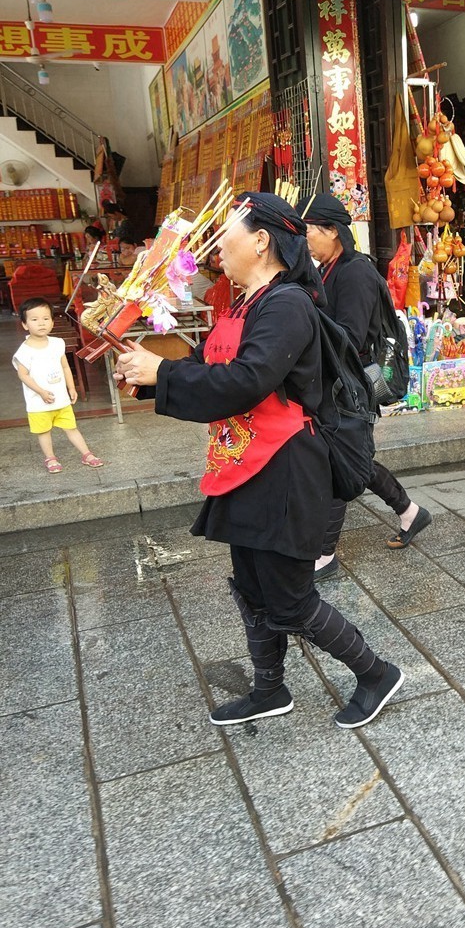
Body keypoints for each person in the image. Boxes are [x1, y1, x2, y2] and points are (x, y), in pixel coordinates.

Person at [114, 192, 404, 730]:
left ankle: (376, 674)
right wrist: (144, 372)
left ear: (262, 240)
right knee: (249, 586)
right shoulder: (244, 303)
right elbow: (205, 366)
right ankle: (270, 690)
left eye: (226, 233)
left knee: (290, 600)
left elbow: (248, 380)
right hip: (244, 464)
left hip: (287, 470)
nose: (216, 245)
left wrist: (165, 374)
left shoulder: (288, 304)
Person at [297, 193, 431, 580]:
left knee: (337, 462)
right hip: (338, 384)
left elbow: (351, 337)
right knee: (352, 460)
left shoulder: (354, 271)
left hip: (352, 386)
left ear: (333, 231)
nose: (305, 239)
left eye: (309, 231)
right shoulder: (329, 268)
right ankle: (410, 512)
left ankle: (324, 554)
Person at [12, 297, 104, 473]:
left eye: (46, 319)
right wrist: (41, 392)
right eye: (34, 319)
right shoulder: (24, 351)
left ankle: (87, 454)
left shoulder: (57, 344)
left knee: (71, 427)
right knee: (44, 432)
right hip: (39, 403)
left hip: (61, 399)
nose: (41, 323)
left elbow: (65, 366)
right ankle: (50, 458)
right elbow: (22, 375)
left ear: (52, 322)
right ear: (25, 324)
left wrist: (71, 387)